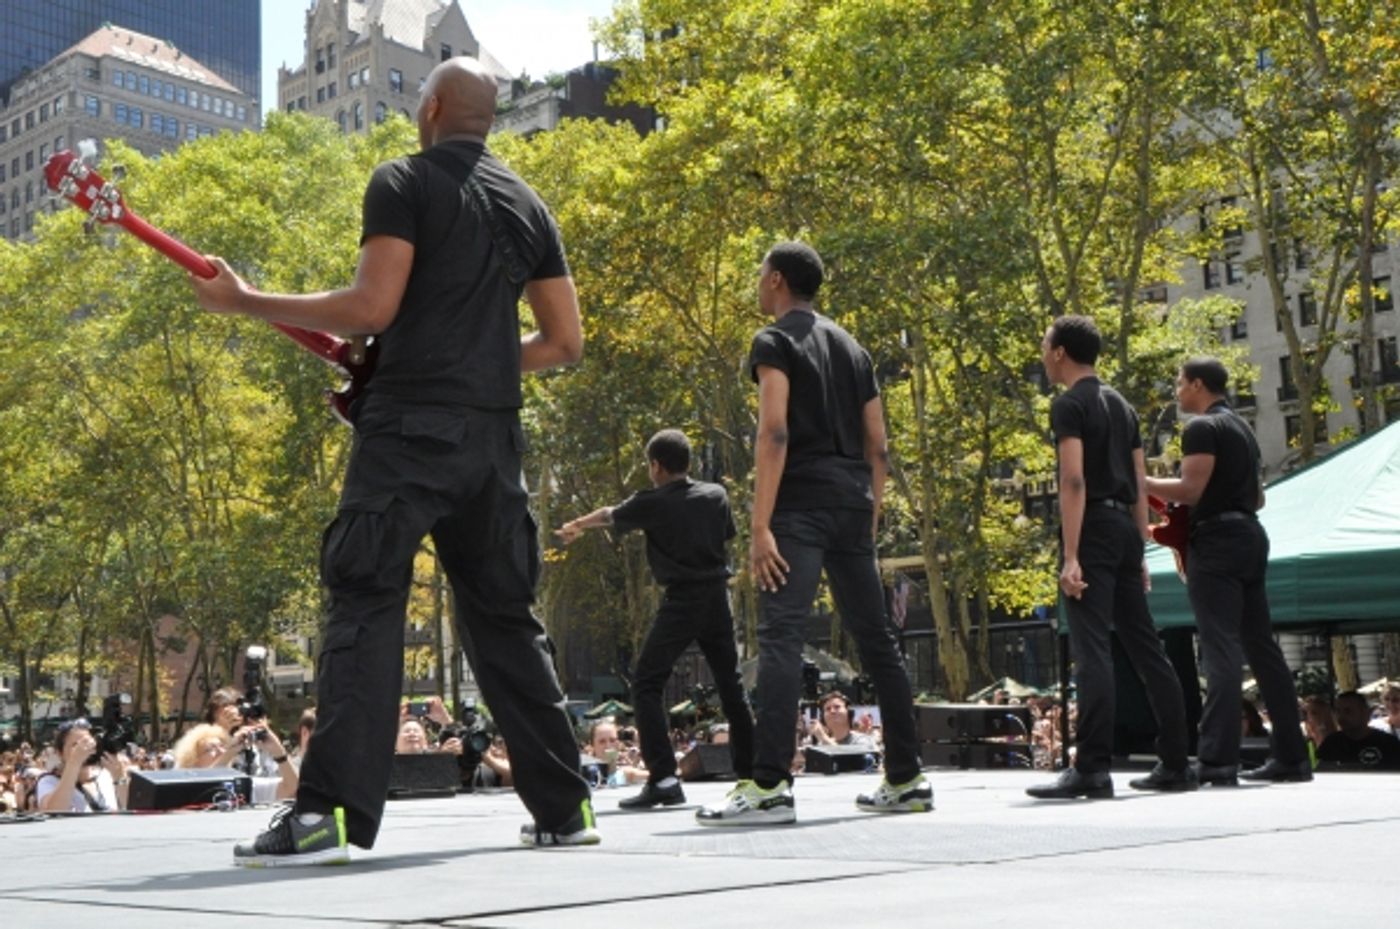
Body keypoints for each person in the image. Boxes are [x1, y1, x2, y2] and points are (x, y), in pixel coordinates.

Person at [188, 56, 590, 866]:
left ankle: (327, 815)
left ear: (433, 107)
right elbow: (564, 343)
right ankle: (566, 804)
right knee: (506, 617)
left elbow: (372, 308)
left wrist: (247, 299)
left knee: (365, 602)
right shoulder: (528, 202)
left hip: (407, 433)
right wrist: (474, 358)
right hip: (494, 442)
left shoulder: (401, 179)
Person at [697, 242, 931, 826]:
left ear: (776, 280)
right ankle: (906, 777)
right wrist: (870, 509)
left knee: (780, 638)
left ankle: (771, 785)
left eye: (759, 275)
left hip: (798, 505)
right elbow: (879, 442)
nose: (757, 284)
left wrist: (758, 526)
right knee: (878, 643)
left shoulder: (773, 340)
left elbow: (773, 433)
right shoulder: (853, 347)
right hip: (853, 501)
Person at [1026, 315, 1193, 799]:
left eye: (1044, 346)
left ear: (1059, 353)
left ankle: (1093, 767)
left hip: (1094, 527)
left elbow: (1073, 480)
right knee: (1147, 648)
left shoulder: (1068, 406)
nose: (1042, 354)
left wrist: (1071, 554)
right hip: (1124, 528)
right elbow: (1140, 481)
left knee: (1092, 647)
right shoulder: (1122, 406)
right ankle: (1178, 762)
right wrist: (1140, 547)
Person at [557, 428, 755, 810]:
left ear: (656, 466)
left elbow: (609, 515)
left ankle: (664, 779)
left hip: (682, 599)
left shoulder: (653, 502)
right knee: (731, 686)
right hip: (717, 595)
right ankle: (751, 777)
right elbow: (724, 536)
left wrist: (577, 525)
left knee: (647, 682)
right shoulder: (716, 495)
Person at [1146, 357, 1311, 786]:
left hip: (1216, 543)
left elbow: (1190, 489)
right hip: (1250, 537)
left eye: (1180, 384)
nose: (1177, 393)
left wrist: (1141, 481)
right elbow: (1257, 499)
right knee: (1263, 649)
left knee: (1220, 649)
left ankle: (1217, 759)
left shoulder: (1201, 428)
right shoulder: (1243, 430)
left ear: (1198, 384)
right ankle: (1292, 758)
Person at [34, 719, 131, 813]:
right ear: (60, 753)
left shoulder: (105, 775)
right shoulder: (49, 781)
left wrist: (120, 779)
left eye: (88, 743)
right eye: (76, 745)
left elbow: (129, 809)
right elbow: (53, 812)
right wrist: (74, 763)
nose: (84, 749)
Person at [1317, 691, 1400, 770]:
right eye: (1338, 711)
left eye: (1348, 711)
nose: (1341, 717)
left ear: (1365, 713)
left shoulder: (1388, 744)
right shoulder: (1331, 744)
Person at [806, 691, 876, 749]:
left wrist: (824, 738)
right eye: (828, 709)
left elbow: (846, 762)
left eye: (837, 707)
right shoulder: (821, 744)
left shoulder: (862, 740)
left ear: (848, 713)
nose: (832, 711)